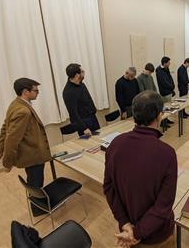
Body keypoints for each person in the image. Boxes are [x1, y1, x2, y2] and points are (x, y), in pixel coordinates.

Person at [103, 91, 177, 248]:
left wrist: (125, 223)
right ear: (159, 115)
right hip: (156, 236)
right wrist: (136, 233)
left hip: (127, 230)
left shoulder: (115, 144)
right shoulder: (167, 153)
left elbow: (109, 188)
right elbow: (163, 206)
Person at [0, 78, 51, 216]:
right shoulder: (23, 111)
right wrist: (7, 162)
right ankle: (39, 210)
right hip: (32, 156)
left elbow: (5, 127)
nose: (38, 93)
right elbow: (12, 139)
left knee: (33, 181)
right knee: (35, 183)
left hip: (29, 154)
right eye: (35, 90)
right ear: (25, 91)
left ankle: (37, 207)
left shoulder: (15, 104)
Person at [63, 63, 100, 136]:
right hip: (83, 122)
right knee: (90, 144)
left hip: (92, 117)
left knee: (99, 138)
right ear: (77, 75)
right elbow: (73, 113)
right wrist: (84, 128)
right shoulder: (68, 92)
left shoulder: (81, 84)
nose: (84, 72)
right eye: (82, 71)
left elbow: (88, 100)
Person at [156, 57, 175, 125]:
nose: (169, 64)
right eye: (168, 62)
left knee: (168, 107)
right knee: (164, 107)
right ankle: (163, 121)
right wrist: (171, 87)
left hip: (169, 90)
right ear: (164, 63)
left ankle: (166, 119)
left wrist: (173, 85)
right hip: (164, 92)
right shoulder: (159, 70)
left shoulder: (166, 68)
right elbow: (163, 82)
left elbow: (170, 78)